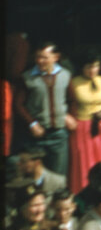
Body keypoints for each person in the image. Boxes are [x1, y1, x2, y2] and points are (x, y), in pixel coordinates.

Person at [14, 42, 76, 176]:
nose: (40, 61)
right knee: (35, 174)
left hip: (59, 134)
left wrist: (71, 116)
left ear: (56, 57)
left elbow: (71, 100)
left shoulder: (65, 75)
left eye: (44, 57)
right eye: (38, 57)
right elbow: (18, 105)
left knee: (58, 175)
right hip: (36, 135)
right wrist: (31, 123)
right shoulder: (27, 77)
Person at [68, 50, 101, 193]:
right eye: (89, 67)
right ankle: (84, 192)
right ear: (82, 67)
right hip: (83, 127)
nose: (93, 70)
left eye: (96, 66)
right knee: (85, 162)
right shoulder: (74, 83)